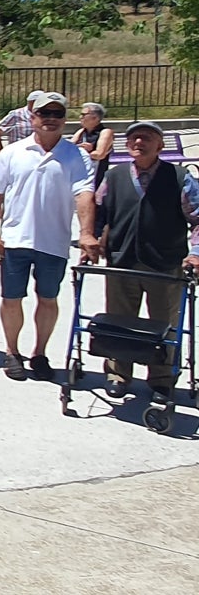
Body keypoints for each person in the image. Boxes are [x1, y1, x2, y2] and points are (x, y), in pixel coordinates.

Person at [0, 92, 99, 382]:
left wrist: (86, 233)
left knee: (48, 299)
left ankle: (40, 353)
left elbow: (85, 195)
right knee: (12, 298)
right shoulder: (12, 153)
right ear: (32, 117)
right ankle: (12, 352)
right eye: (44, 113)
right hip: (15, 240)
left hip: (54, 242)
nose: (50, 119)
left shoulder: (77, 156)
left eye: (56, 114)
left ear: (64, 119)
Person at [95, 121, 199, 400]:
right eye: (134, 139)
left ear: (160, 145)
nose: (139, 143)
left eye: (147, 138)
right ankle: (118, 373)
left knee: (164, 322)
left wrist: (196, 254)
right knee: (119, 320)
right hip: (122, 261)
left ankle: (162, 378)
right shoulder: (114, 176)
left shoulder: (180, 178)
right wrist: (92, 239)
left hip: (164, 263)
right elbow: (100, 211)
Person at [73, 102, 114, 238]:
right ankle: (85, 232)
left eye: (84, 115)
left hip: (98, 172)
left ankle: (96, 233)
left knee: (96, 202)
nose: (81, 117)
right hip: (82, 171)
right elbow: (69, 148)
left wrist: (86, 151)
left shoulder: (105, 132)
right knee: (83, 202)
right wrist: (80, 149)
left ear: (95, 118)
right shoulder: (81, 132)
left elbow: (100, 154)